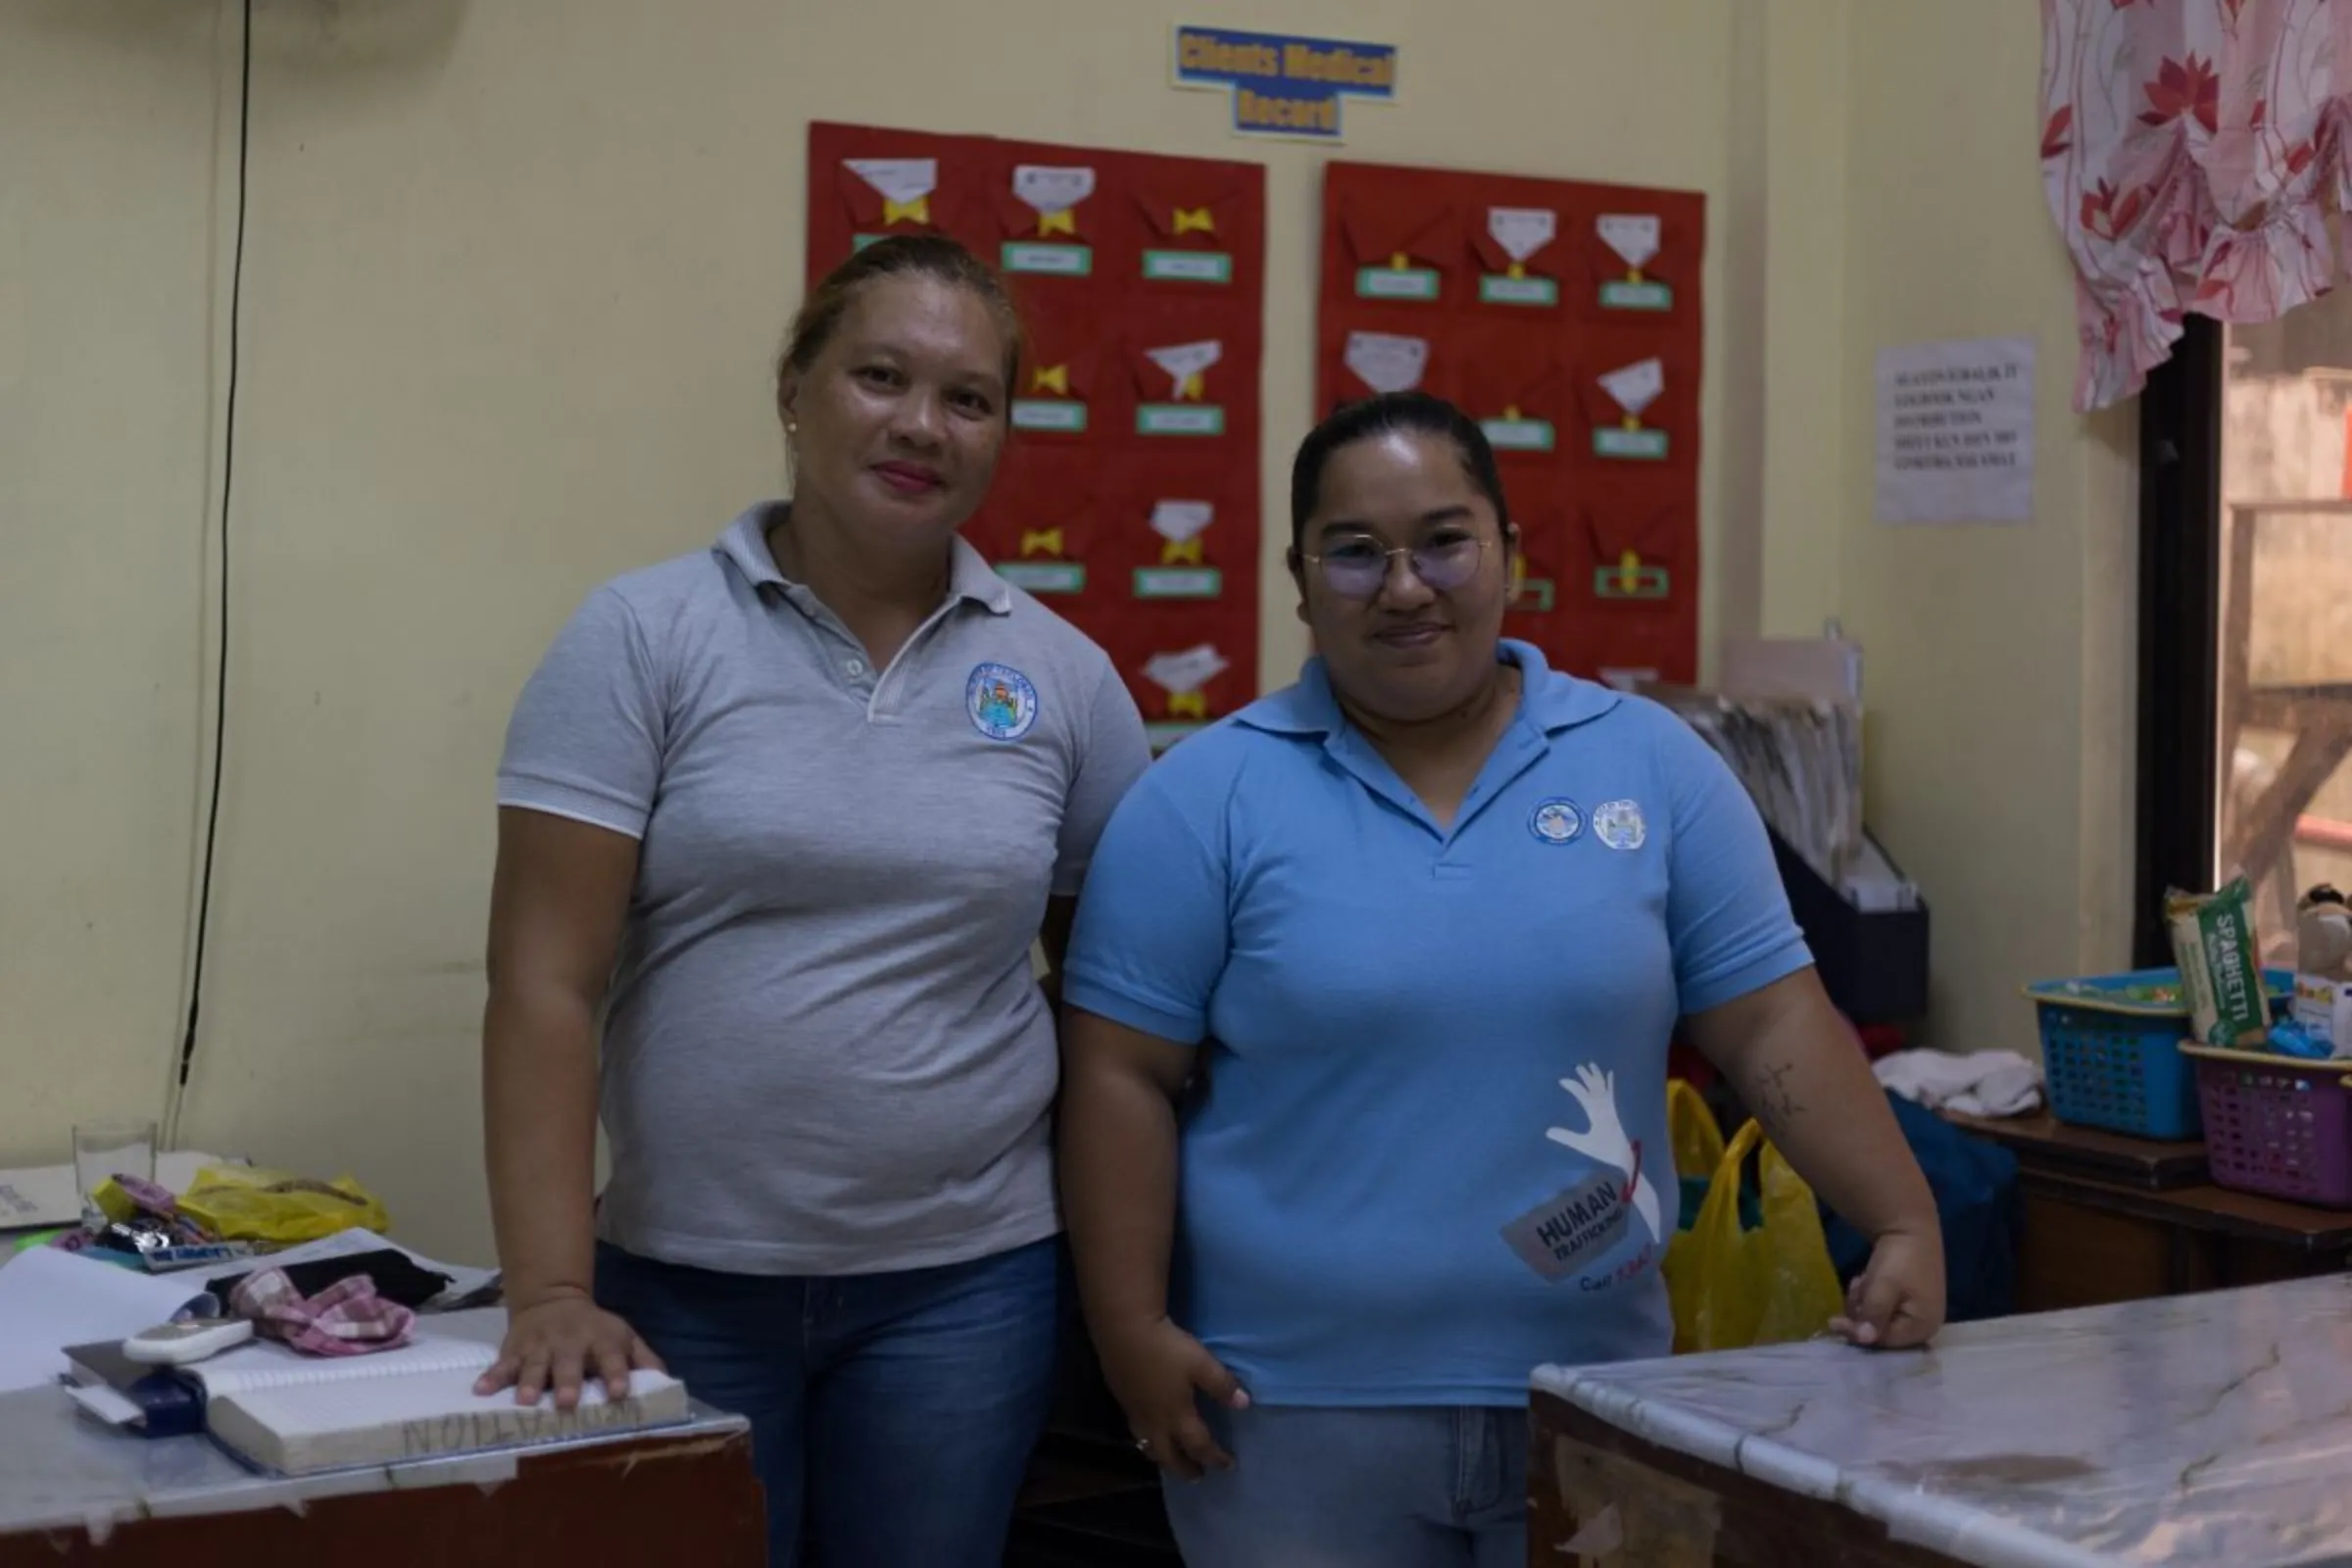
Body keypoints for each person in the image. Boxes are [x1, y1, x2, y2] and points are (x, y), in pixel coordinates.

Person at [1056, 391, 1944, 1567]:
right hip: (1286, 1417)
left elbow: (1771, 1014)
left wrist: (1901, 1214)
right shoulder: (1204, 798)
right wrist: (1129, 1327)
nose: (1406, 585)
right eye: (1357, 553)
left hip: (1598, 1398)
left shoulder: (1654, 767)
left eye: (1443, 540)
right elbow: (1119, 1074)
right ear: (1300, 577)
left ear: (1511, 556)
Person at [476, 235, 1152, 1567]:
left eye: (969, 398)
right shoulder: (644, 634)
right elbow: (546, 982)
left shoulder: (1066, 680)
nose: (921, 426)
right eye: (880, 377)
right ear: (795, 389)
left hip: (971, 1289)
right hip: (683, 1282)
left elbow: (1114, 1011)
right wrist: (552, 1288)